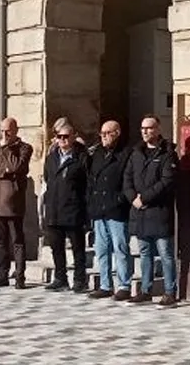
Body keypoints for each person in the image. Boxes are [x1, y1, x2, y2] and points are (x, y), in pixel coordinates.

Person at [123, 114, 179, 306]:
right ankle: (145, 290)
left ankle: (170, 291)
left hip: (159, 211)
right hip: (140, 212)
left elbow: (166, 181)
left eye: (149, 128)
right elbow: (127, 178)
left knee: (165, 253)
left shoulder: (167, 153)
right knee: (144, 252)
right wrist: (133, 198)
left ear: (158, 129)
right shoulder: (136, 153)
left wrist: (145, 198)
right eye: (143, 128)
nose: (145, 131)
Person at [0, 117, 34, 289]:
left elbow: (16, 166)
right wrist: (3, 172)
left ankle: (20, 276)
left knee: (17, 239)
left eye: (8, 131)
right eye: (2, 130)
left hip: (13, 202)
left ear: (16, 130)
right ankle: (1, 274)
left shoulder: (24, 148)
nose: (4, 134)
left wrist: (7, 148)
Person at [86, 120, 132, 300]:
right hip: (99, 208)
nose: (103, 136)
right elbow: (91, 179)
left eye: (107, 133)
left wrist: (120, 199)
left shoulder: (126, 153)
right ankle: (105, 285)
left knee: (120, 248)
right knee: (101, 248)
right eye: (102, 133)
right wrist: (91, 201)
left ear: (117, 133)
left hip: (117, 208)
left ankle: (124, 285)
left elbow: (128, 179)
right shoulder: (97, 153)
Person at [42, 118, 90, 293]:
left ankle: (80, 279)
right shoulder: (51, 158)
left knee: (78, 248)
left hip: (73, 209)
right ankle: (60, 278)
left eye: (65, 136)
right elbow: (48, 179)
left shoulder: (81, 157)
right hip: (54, 209)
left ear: (73, 137)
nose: (62, 139)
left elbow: (87, 183)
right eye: (59, 136)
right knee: (56, 247)